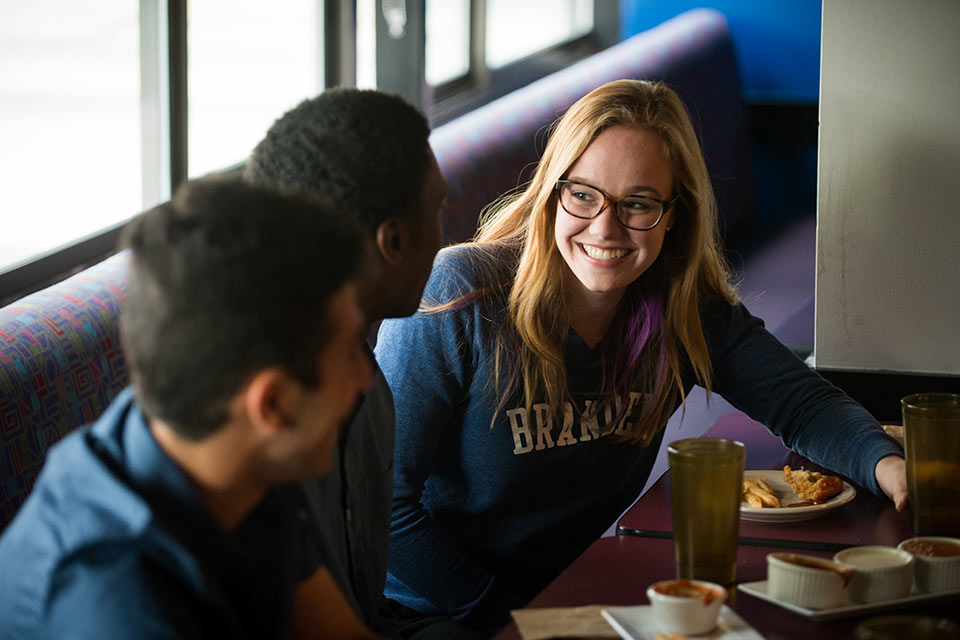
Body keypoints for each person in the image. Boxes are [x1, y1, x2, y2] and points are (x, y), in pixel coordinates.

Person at [374, 79, 908, 637]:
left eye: (637, 204)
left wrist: (888, 465)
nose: (605, 227)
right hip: (430, 608)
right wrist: (514, 618)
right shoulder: (460, 293)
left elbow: (801, 404)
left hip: (581, 591)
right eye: (582, 194)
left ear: (673, 213)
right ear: (551, 192)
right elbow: (383, 509)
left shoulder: (684, 312)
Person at [0, 179, 381, 639]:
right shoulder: (119, 610)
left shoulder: (220, 447)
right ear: (272, 404)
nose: (364, 377)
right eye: (349, 356)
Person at [244, 88, 445, 636]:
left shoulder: (366, 381)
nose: (443, 236)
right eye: (439, 210)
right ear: (395, 240)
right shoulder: (258, 432)